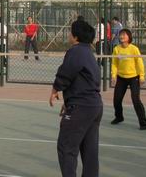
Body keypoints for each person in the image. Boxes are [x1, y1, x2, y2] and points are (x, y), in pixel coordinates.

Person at [49, 19, 103, 177]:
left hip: (81, 107)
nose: (68, 34)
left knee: (66, 147)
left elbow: (66, 72)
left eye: (70, 31)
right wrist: (69, 102)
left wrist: (56, 88)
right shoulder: (88, 53)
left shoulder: (76, 51)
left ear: (76, 36)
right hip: (94, 106)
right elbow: (84, 81)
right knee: (90, 151)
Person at [110, 28, 146, 130]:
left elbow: (139, 63)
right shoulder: (117, 49)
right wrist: (113, 76)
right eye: (120, 34)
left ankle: (143, 123)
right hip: (121, 77)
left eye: (124, 35)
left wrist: (141, 76)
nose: (121, 36)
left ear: (129, 37)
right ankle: (119, 117)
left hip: (134, 77)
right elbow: (114, 63)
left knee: (136, 100)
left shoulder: (134, 49)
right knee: (117, 99)